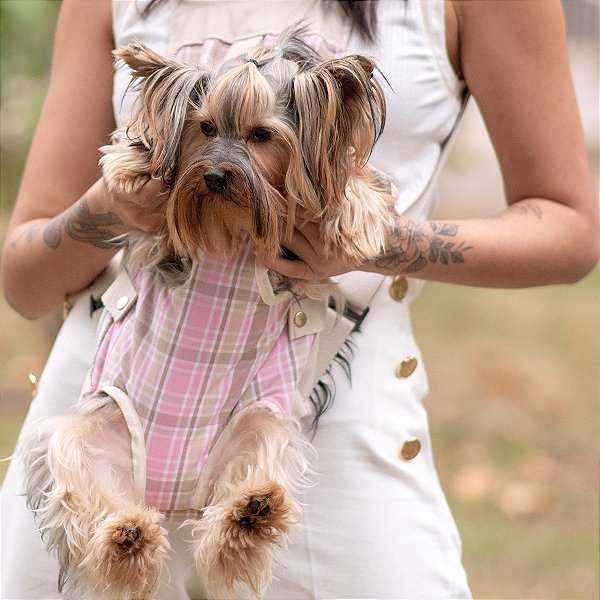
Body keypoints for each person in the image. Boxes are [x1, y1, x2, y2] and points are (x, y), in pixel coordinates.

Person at [1, 0, 598, 598]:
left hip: (326, 417)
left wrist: (380, 244)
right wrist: (106, 208)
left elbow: (569, 230)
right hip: (105, 406)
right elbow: (24, 282)